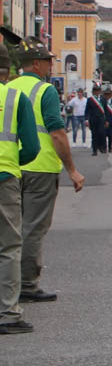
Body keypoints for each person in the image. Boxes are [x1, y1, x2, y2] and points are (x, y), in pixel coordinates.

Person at [10, 40, 84, 312]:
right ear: (37, 64)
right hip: (39, 167)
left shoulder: (8, 87)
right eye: (48, 61)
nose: (51, 65)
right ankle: (27, 285)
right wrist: (72, 169)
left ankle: (9, 283)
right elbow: (56, 133)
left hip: (11, 165)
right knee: (33, 228)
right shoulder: (45, 90)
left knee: (11, 227)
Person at [0, 44, 43, 335]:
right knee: (8, 247)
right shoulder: (15, 98)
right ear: (8, 70)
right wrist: (14, 161)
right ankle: (8, 313)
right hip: (5, 178)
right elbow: (32, 147)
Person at [85, 86, 108, 156]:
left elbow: (106, 110)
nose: (97, 92)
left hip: (101, 119)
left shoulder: (103, 99)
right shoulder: (90, 100)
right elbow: (87, 110)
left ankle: (102, 147)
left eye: (98, 91)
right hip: (93, 120)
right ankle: (94, 150)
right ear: (93, 92)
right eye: (95, 91)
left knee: (102, 133)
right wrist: (86, 120)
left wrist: (107, 120)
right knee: (94, 135)